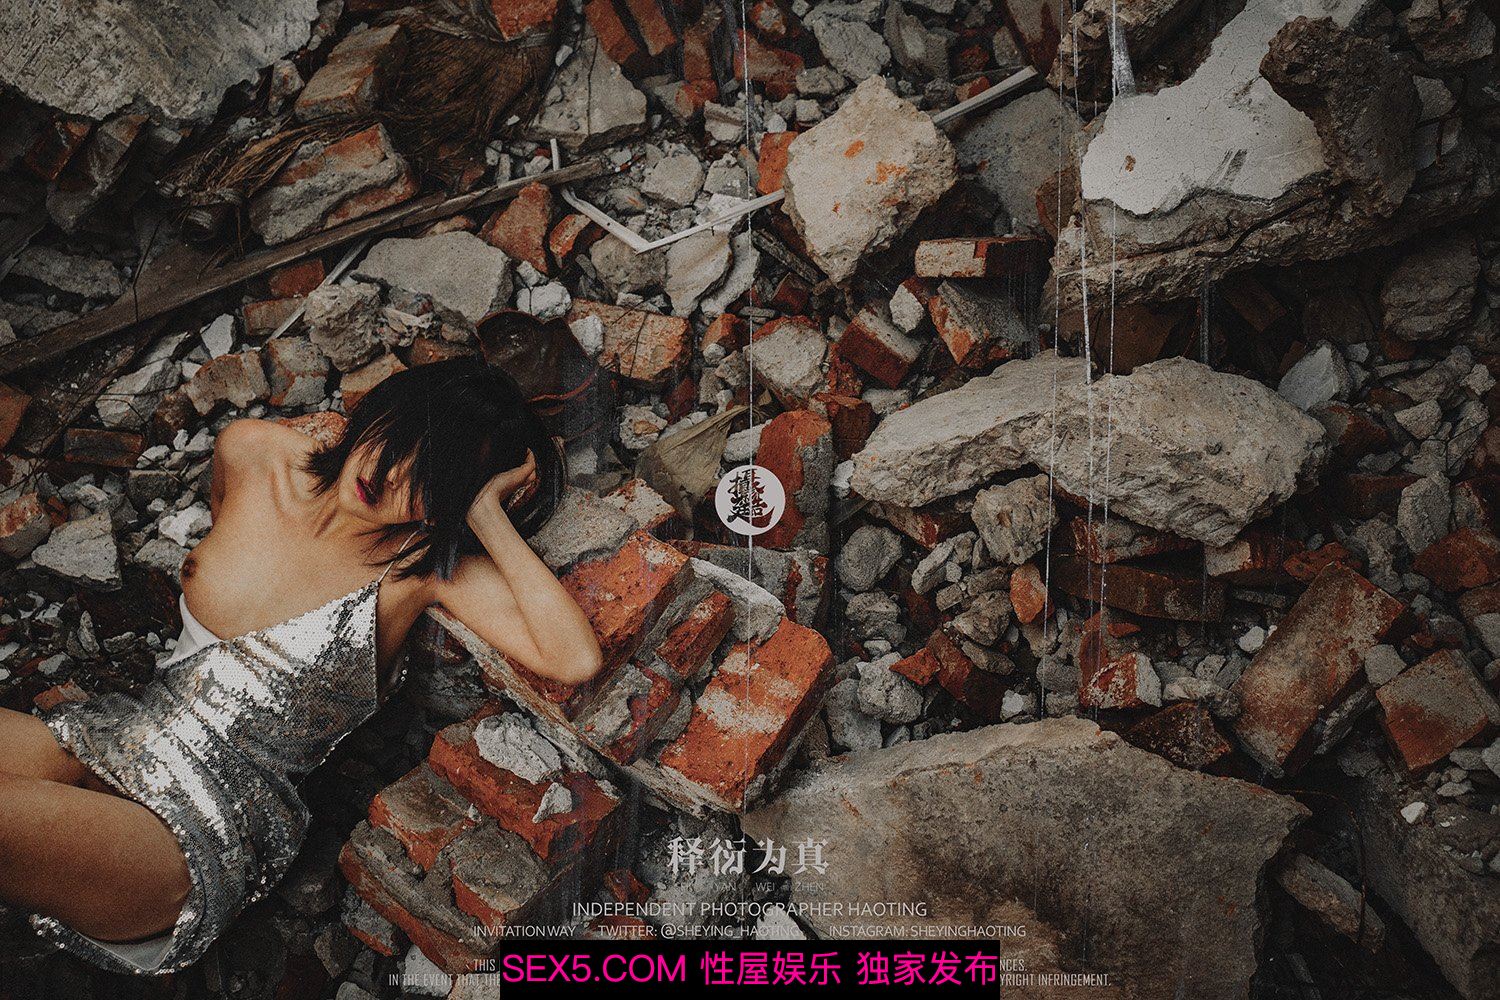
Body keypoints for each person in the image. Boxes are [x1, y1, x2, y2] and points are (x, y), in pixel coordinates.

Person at [0, 356, 603, 975]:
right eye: (400, 442)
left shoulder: (418, 574)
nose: (388, 476)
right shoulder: (253, 452)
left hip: (198, 832)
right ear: (381, 411)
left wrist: (487, 516)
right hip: (113, 734)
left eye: (428, 481)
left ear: (442, 509)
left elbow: (575, 658)